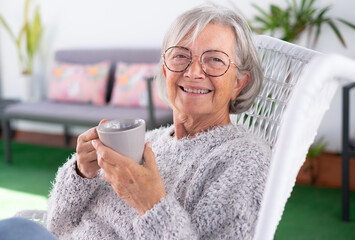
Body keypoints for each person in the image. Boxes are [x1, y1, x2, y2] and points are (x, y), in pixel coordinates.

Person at [46, 4, 271, 240]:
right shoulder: (147, 142)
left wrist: (151, 204)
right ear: (165, 71)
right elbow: (57, 225)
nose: (193, 72)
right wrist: (82, 173)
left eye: (215, 59)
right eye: (181, 56)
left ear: (239, 83)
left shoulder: (244, 159)